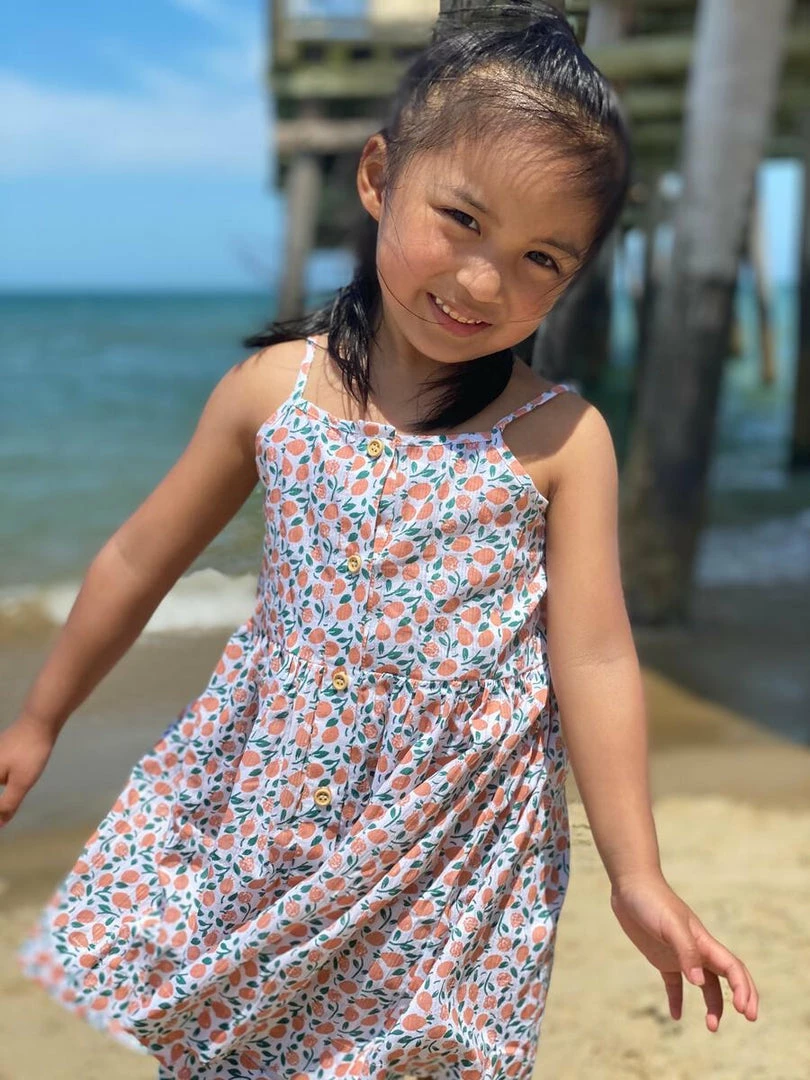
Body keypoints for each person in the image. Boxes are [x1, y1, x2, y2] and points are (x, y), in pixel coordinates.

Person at [2, 3, 758, 1078]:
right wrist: (40, 718)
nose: (483, 282)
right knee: (238, 1049)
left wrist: (637, 874)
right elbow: (139, 559)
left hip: (458, 839)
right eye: (461, 219)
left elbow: (592, 656)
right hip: (272, 814)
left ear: (577, 274)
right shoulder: (274, 390)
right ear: (377, 178)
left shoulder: (561, 439)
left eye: (540, 257)